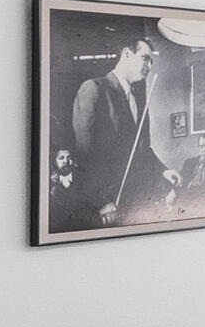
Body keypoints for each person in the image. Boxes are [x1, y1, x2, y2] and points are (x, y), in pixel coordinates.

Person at [64, 37, 174, 227]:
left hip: (134, 202)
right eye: (145, 58)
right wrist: (101, 201)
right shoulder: (94, 89)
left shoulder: (138, 100)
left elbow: (142, 150)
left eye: (152, 61)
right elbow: (85, 154)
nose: (149, 66)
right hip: (104, 207)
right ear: (127, 54)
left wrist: (164, 171)